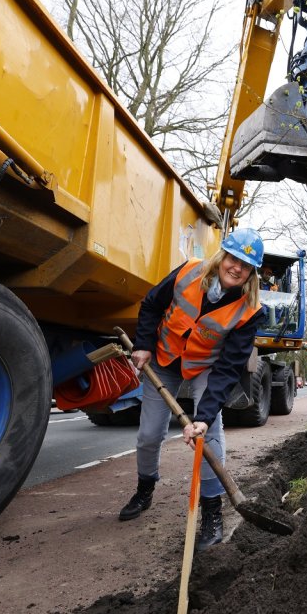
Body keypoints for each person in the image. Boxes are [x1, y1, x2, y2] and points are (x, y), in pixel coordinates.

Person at [121, 227, 266, 552]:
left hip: (206, 367)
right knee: (149, 434)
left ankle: (211, 512)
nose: (236, 267)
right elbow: (151, 304)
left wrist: (203, 416)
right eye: (233, 258)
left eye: (245, 265)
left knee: (209, 435)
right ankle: (145, 489)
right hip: (163, 359)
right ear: (222, 256)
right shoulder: (188, 272)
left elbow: (229, 368)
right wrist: (143, 345)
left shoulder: (249, 311)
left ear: (251, 273)